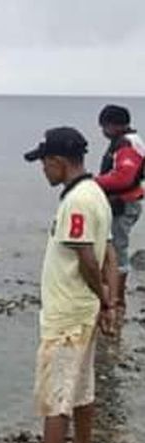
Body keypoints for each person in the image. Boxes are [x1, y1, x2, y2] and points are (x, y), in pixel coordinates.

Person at [0, 127, 118, 443]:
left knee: (56, 394)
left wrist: (105, 298)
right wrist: (109, 300)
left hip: (67, 314)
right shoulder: (96, 192)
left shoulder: (76, 203)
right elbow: (109, 252)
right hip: (83, 310)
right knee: (81, 386)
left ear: (58, 162)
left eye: (44, 163)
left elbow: (87, 259)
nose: (42, 171)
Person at [95, 105, 144, 334]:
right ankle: (112, 295)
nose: (103, 131)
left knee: (117, 252)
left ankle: (117, 301)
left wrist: (93, 182)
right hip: (124, 204)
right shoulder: (129, 141)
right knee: (113, 250)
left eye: (104, 126)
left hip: (124, 205)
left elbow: (124, 177)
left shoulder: (126, 144)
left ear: (113, 125)